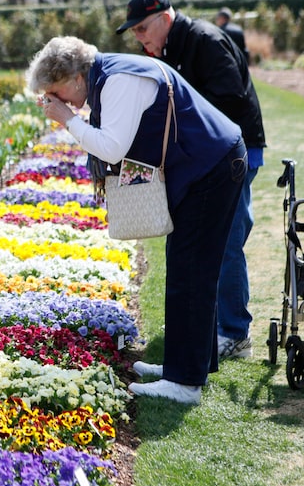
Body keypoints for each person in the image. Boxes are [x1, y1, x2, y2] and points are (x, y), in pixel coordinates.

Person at [27, 36, 247, 404]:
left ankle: (185, 384)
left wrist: (69, 120)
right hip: (206, 166)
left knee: (192, 271)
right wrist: (71, 115)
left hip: (212, 168)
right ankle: (185, 366)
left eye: (56, 91)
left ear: (76, 77)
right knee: (187, 269)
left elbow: (112, 146)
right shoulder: (109, 76)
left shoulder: (118, 81)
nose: (56, 101)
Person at [115, 0, 265, 361]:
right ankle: (204, 323)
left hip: (236, 153)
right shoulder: (167, 48)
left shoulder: (205, 40)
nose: (140, 37)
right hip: (206, 159)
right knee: (199, 240)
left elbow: (231, 99)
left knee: (227, 241)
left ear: (166, 17)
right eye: (134, 32)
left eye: (143, 28)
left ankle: (234, 333)